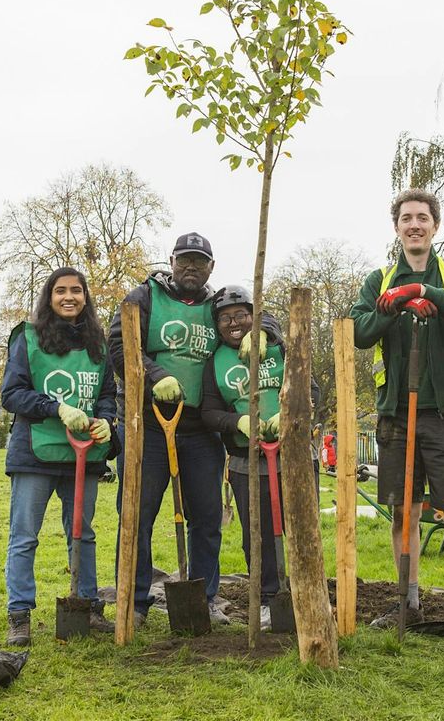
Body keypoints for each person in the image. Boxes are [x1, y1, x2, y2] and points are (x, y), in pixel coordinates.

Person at [108, 234, 280, 626]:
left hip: (201, 430)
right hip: (150, 425)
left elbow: (257, 314)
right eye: (184, 260)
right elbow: (120, 345)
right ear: (171, 261)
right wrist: (153, 375)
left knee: (206, 517)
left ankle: (206, 596)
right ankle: (133, 601)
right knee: (137, 515)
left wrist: (265, 331)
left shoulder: (214, 303)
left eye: (199, 262)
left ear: (211, 268)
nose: (190, 268)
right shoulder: (144, 297)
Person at [350, 188, 444, 646]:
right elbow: (360, 332)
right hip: (397, 416)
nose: (414, 225)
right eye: (406, 217)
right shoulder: (378, 279)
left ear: (434, 226)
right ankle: (408, 600)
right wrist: (393, 306)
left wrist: (428, 292)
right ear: (396, 227)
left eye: (422, 218)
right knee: (402, 515)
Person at [0, 266, 117, 646]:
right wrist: (56, 407)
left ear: (86, 297)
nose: (69, 297)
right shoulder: (28, 339)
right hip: (35, 454)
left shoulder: (99, 344)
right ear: (49, 298)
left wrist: (107, 422)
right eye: (60, 291)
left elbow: (106, 396)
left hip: (85, 454)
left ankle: (88, 605)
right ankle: (19, 614)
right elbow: (11, 394)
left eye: (76, 291)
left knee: (83, 534)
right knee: (24, 537)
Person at [200, 285, 316, 630]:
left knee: (302, 529)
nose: (233, 323)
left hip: (293, 456)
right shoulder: (215, 361)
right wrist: (237, 421)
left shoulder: (280, 348)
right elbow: (208, 411)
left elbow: (311, 389)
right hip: (245, 460)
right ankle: (268, 599)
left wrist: (290, 412)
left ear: (254, 315)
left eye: (241, 315)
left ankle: (306, 594)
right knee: (259, 534)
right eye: (225, 318)